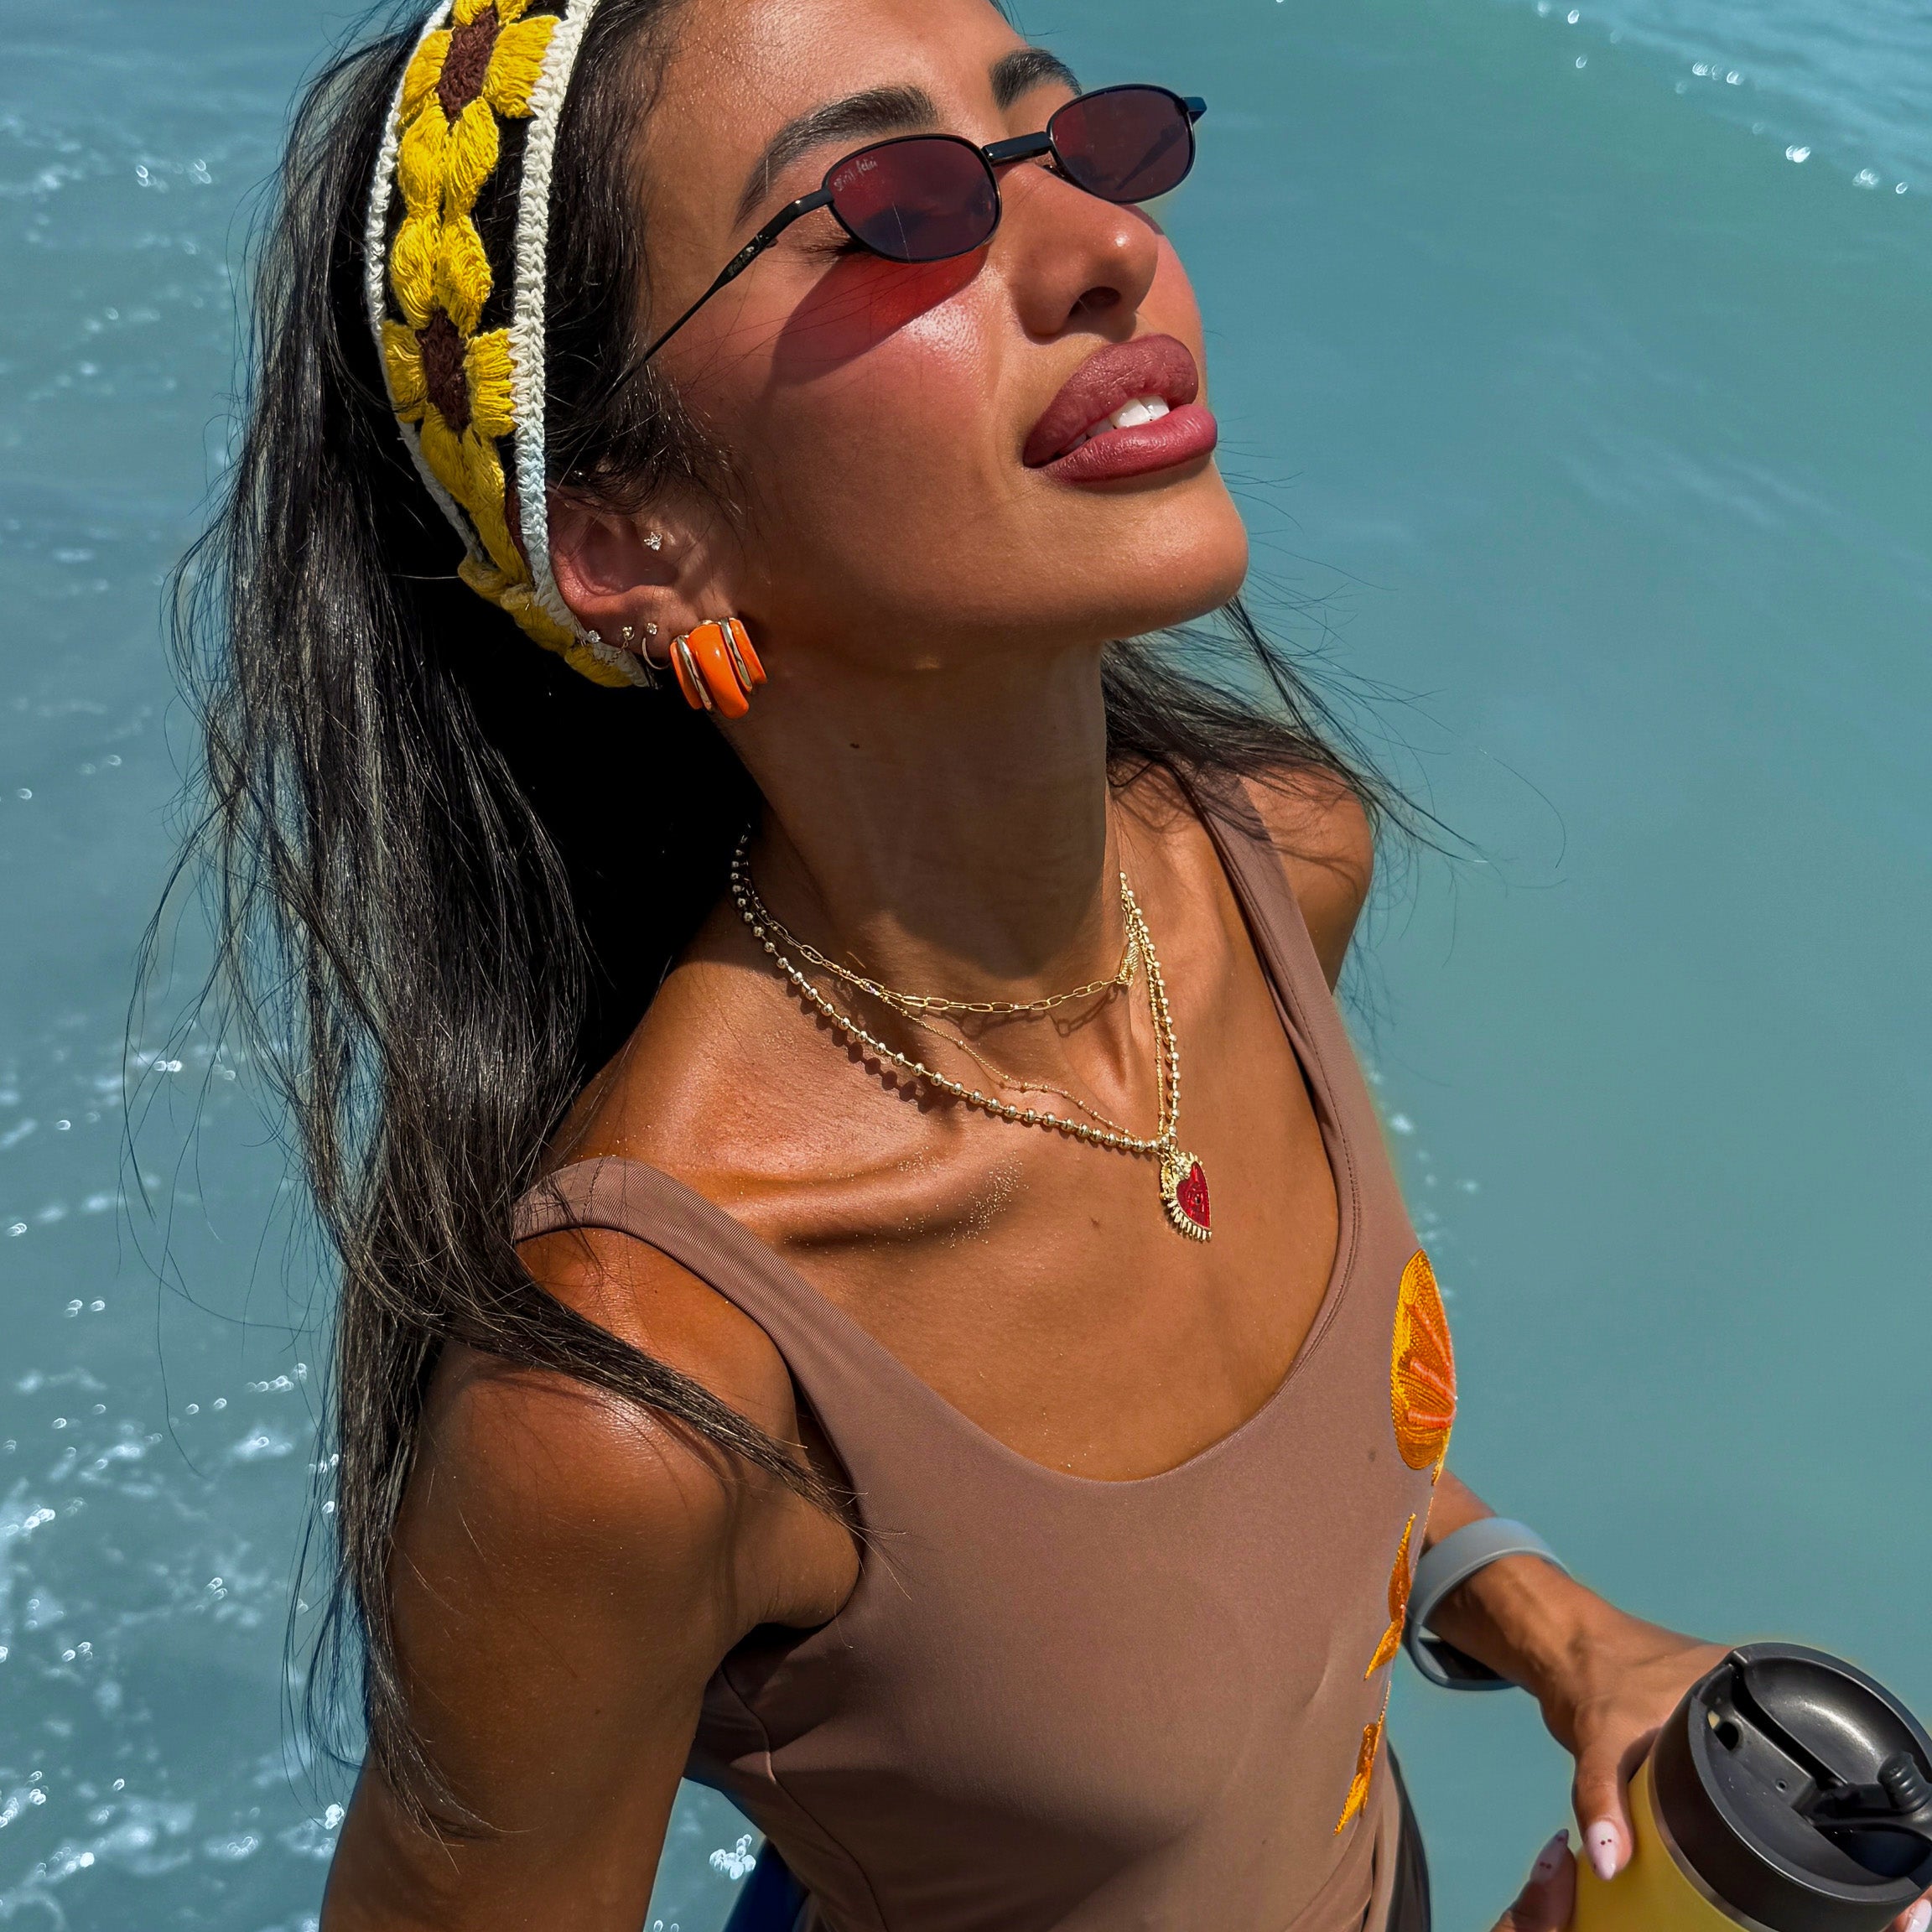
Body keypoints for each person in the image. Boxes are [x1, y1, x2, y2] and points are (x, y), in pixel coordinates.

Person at [174, 1, 1932, 1929]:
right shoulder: (635, 1402)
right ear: (633, 538)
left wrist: (1550, 1621)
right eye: (897, 208)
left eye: (1071, 142)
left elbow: (1218, 1529)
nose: (1107, 250)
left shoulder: (1271, 871)